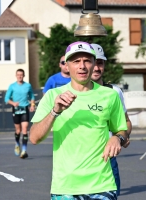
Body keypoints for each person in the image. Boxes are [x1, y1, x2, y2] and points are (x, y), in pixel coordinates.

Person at [30, 41, 129, 200]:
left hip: (102, 185)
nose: (82, 66)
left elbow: (122, 129)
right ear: (67, 66)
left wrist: (118, 138)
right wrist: (55, 111)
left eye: (87, 61)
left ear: (93, 64)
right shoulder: (52, 96)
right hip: (65, 187)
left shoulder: (110, 95)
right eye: (76, 61)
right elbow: (34, 137)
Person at [91, 43, 133, 196]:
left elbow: (126, 122)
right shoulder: (71, 93)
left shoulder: (114, 91)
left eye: (100, 63)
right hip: (80, 160)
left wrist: (121, 136)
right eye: (93, 62)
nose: (96, 68)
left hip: (107, 159)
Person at [5, 69, 35, 159]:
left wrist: (32, 105)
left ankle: (24, 150)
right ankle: (17, 143)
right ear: (16, 75)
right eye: (18, 75)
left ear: (24, 75)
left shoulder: (28, 86)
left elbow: (32, 96)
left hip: (25, 108)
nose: (19, 76)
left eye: (21, 75)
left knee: (25, 129)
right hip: (16, 109)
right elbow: (6, 99)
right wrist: (13, 103)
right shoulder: (12, 86)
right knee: (18, 130)